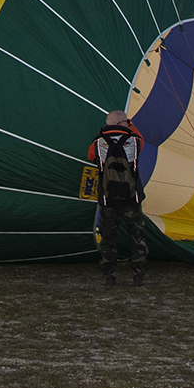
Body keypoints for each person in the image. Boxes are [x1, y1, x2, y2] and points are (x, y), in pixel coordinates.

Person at [86, 112, 147, 287]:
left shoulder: (98, 143)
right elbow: (141, 140)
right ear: (122, 123)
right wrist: (130, 124)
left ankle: (109, 275)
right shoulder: (134, 141)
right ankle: (138, 274)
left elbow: (91, 157)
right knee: (137, 237)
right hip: (131, 197)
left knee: (108, 237)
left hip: (108, 198)